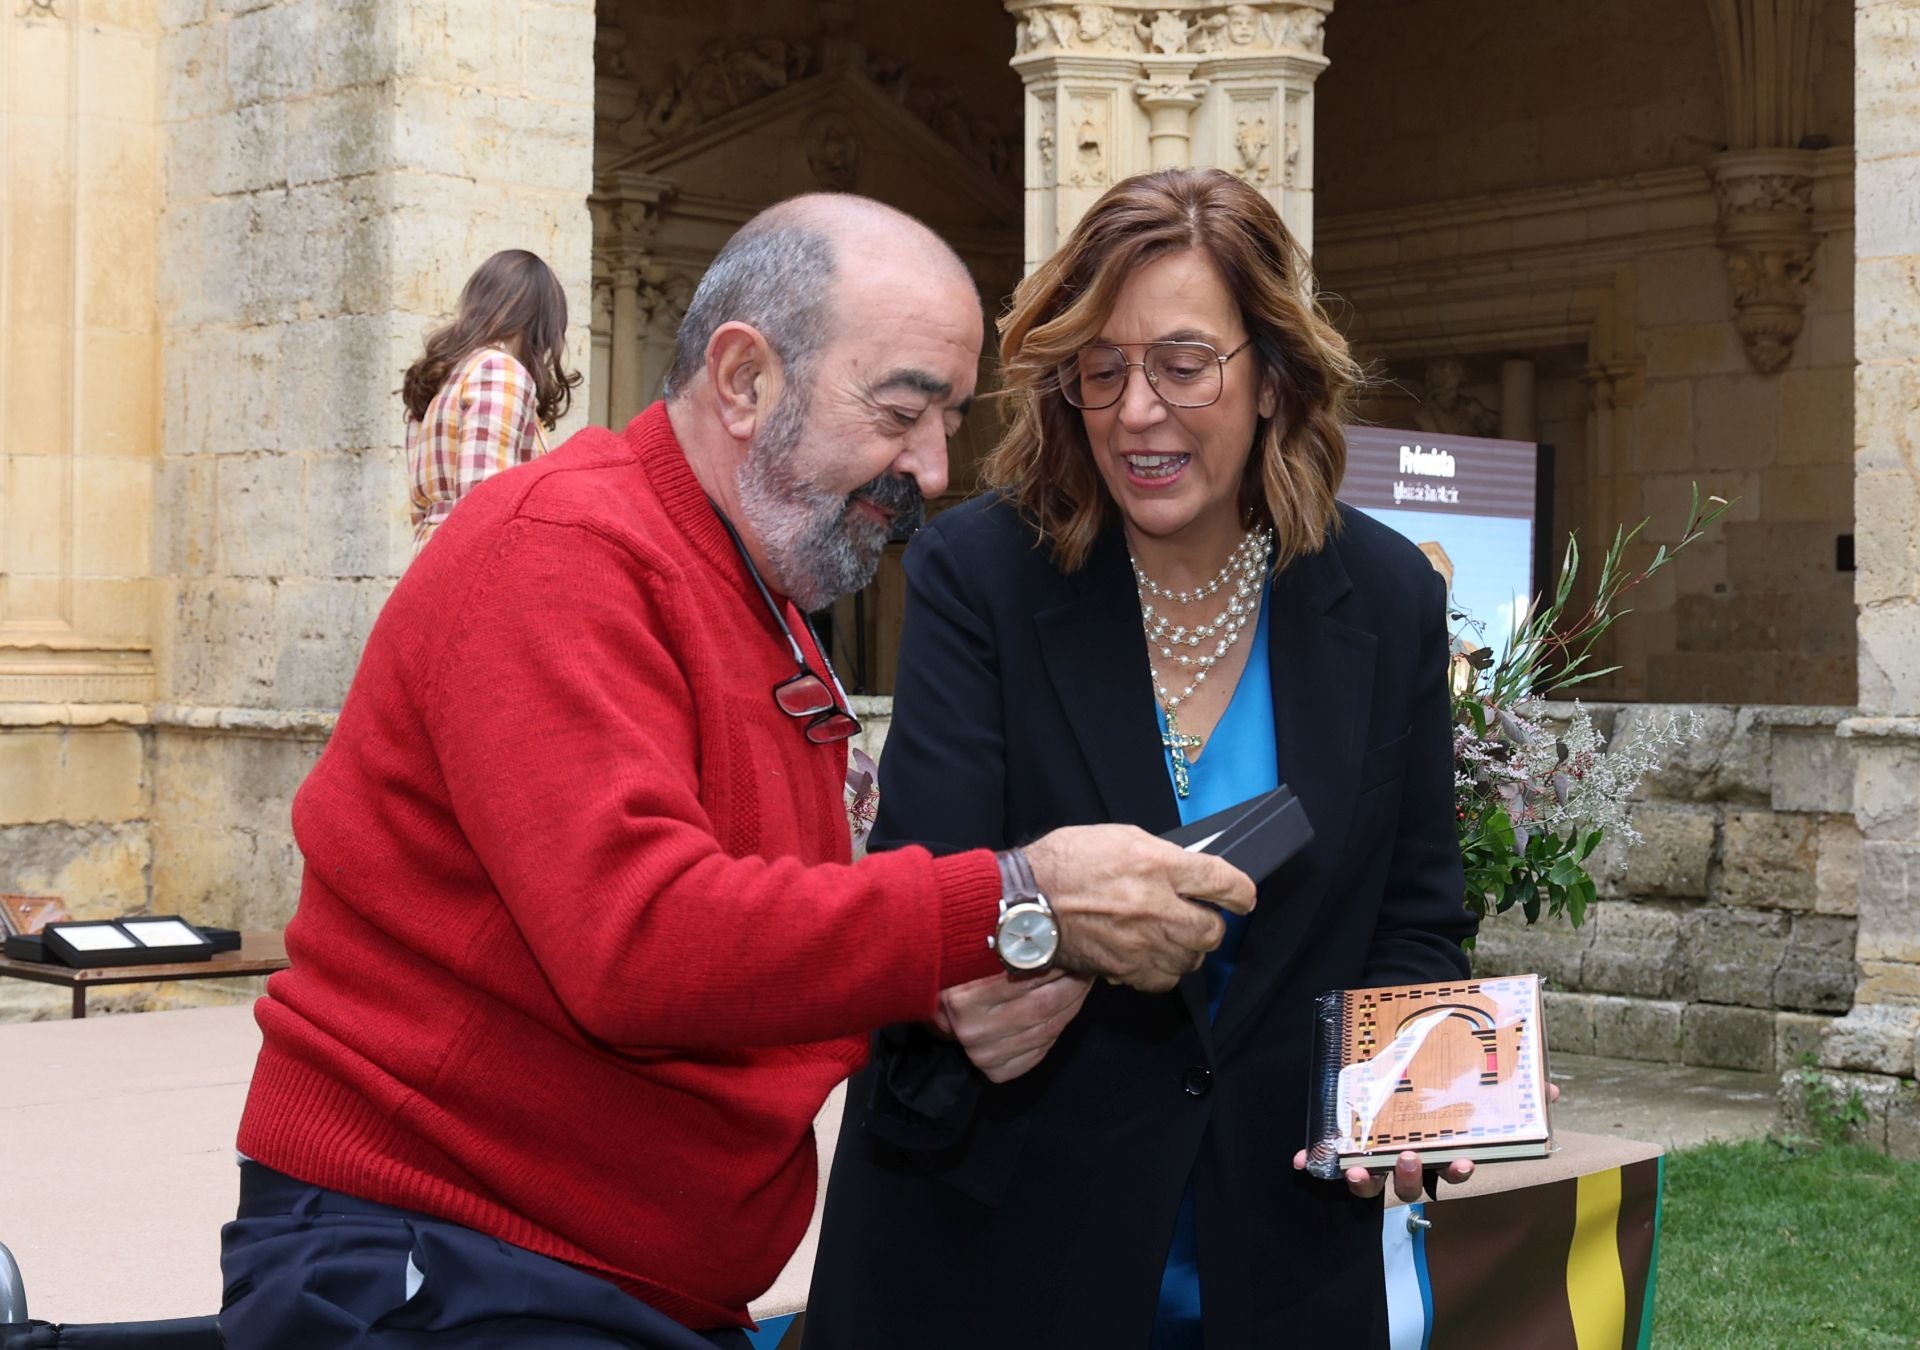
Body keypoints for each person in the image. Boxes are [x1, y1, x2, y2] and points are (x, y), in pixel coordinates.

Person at [216, 193, 1257, 1349]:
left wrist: (979, 978)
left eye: (951, 420)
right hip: (445, 1265)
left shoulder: (763, 596)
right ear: (745, 378)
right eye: (905, 411)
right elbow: (640, 940)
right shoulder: (560, 551)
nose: (933, 466)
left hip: (609, 1283)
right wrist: (1017, 900)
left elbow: (779, 947)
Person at [803, 169, 1481, 1350]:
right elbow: (932, 876)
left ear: (1271, 375)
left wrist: (1418, 1101)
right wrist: (1033, 938)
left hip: (1279, 1256)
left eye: (1182, 363)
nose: (1135, 412)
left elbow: (1415, 918)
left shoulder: (1384, 599)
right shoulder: (983, 575)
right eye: (1100, 370)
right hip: (1002, 1245)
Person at [402, 248, 580, 551]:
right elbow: (485, 505)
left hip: (431, 561)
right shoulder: (499, 370)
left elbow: (420, 512)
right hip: (471, 567)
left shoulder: (442, 376)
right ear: (542, 322)